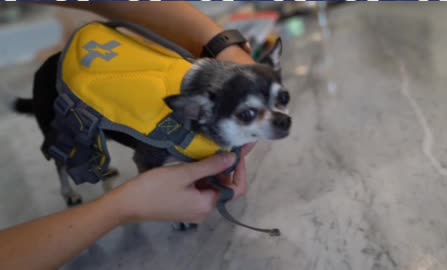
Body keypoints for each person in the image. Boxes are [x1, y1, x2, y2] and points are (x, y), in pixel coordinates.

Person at [0, 3, 255, 270]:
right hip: (61, 92)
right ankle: (67, 186)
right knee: (66, 151)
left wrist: (220, 43)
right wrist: (123, 206)